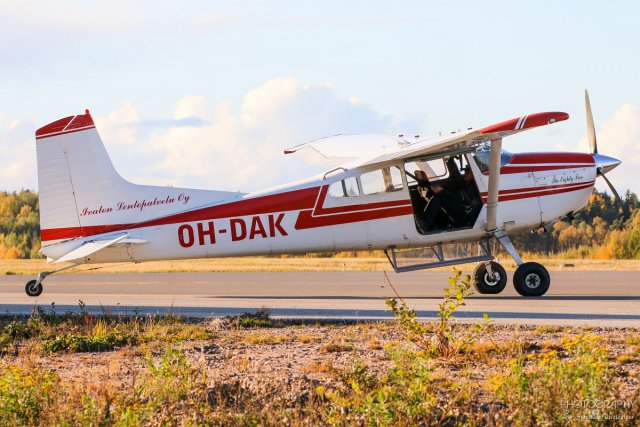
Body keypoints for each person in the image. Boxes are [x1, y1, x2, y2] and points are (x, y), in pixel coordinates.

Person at [414, 166, 480, 233]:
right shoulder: (466, 184)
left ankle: (425, 223)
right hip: (463, 213)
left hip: (466, 218)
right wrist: (422, 182)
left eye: (468, 171)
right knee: (439, 196)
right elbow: (424, 194)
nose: (465, 172)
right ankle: (429, 224)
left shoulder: (474, 187)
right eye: (465, 170)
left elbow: (459, 199)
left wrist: (442, 191)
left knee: (440, 195)